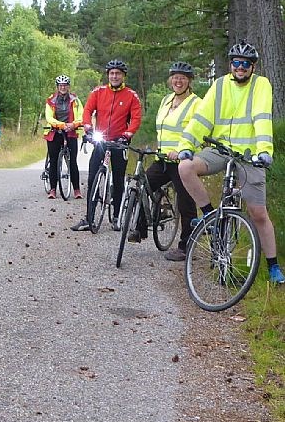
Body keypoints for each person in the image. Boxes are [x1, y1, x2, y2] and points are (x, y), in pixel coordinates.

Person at [177, 40, 285, 284]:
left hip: (250, 155)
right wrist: (186, 145)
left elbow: (261, 117)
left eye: (245, 64)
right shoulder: (220, 85)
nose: (240, 67)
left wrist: (265, 150)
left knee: (258, 213)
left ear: (252, 67)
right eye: (236, 63)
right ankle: (209, 216)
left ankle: (273, 266)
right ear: (230, 64)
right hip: (221, 150)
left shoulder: (261, 85)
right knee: (185, 167)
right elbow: (202, 119)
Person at [128, 62, 200, 261]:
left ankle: (186, 246)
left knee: (186, 203)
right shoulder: (166, 100)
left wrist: (182, 151)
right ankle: (139, 229)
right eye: (175, 77)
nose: (178, 81)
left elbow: (198, 132)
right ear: (170, 80)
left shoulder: (196, 103)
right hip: (163, 159)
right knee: (143, 186)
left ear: (189, 81)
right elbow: (163, 129)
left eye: (183, 78)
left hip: (183, 161)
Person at [71, 59, 142, 231]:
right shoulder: (98, 92)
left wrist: (127, 134)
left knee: (118, 179)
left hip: (119, 142)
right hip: (101, 140)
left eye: (118, 73)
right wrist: (87, 127)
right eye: (111, 73)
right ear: (108, 75)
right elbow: (87, 110)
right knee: (93, 176)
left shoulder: (131, 95)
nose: (114, 76)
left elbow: (136, 118)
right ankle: (89, 218)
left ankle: (116, 216)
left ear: (123, 75)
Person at [43, 74, 84, 199]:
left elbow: (81, 116)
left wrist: (74, 124)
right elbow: (49, 117)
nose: (63, 87)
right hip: (55, 131)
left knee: (73, 162)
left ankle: (77, 190)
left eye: (65, 85)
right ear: (57, 87)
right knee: (54, 161)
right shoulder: (51, 100)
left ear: (68, 86)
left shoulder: (75, 100)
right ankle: (53, 189)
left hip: (71, 131)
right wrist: (61, 125)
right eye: (60, 85)